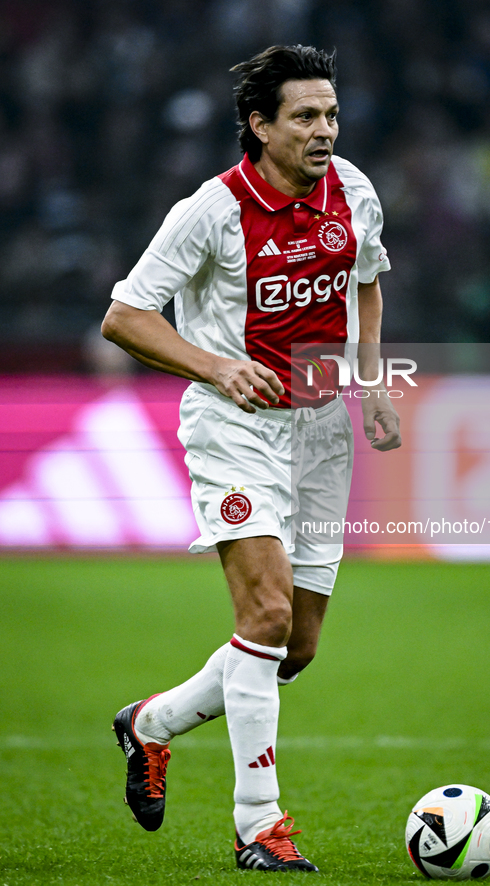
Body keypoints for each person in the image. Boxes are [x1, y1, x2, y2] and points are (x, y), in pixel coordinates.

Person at [102, 44, 401, 873]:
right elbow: (125, 316)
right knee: (263, 620)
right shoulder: (211, 210)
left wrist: (371, 380)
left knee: (293, 649)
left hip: (319, 428)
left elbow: (366, 280)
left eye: (331, 114)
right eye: (304, 116)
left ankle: (150, 724)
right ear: (258, 125)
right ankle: (258, 825)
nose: (324, 130)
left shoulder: (356, 192)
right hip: (234, 427)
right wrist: (216, 364)